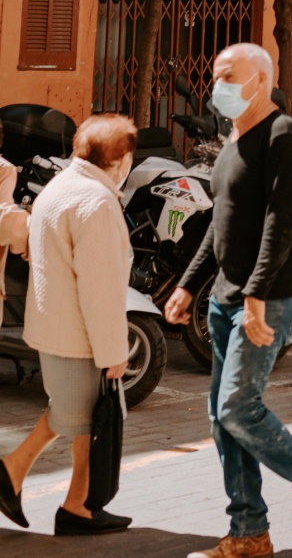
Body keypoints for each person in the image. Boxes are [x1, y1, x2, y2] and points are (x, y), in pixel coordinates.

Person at [166, 44, 292, 558]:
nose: (218, 84)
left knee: (236, 407)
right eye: (216, 74)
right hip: (227, 298)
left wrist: (255, 295)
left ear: (263, 81)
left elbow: (282, 221)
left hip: (269, 298)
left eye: (230, 75)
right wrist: (187, 283)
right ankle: (248, 532)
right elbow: (219, 222)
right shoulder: (233, 138)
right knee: (221, 417)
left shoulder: (283, 135)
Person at [0, 115, 134, 538]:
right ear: (120, 158)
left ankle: (76, 505)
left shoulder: (60, 186)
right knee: (74, 416)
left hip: (54, 325)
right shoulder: (96, 201)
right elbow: (101, 288)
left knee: (78, 418)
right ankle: (15, 474)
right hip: (79, 334)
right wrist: (114, 353)